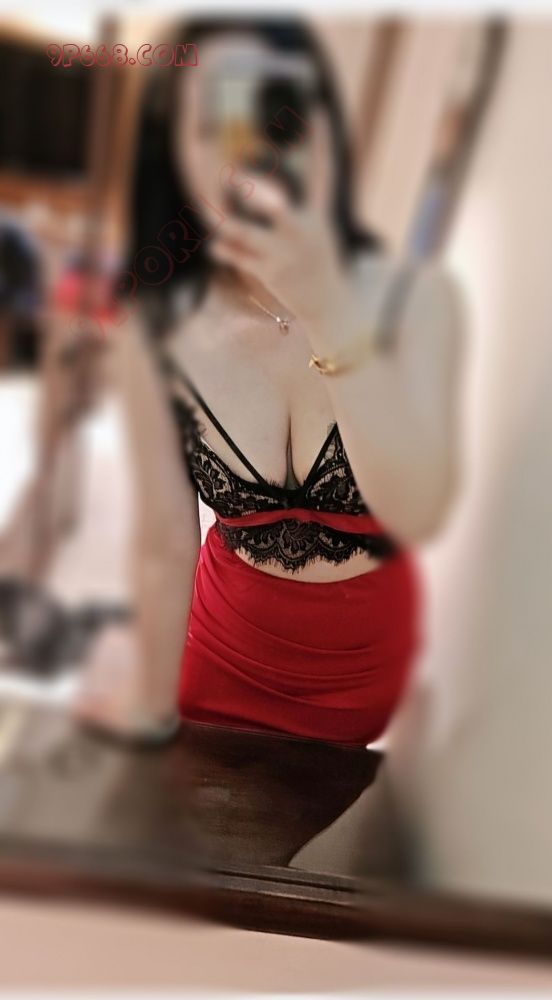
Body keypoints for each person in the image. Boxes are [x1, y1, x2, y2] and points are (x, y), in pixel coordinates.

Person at [73, 17, 465, 748]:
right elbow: (165, 542)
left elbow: (417, 507)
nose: (244, 149)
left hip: (360, 672)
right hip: (219, 652)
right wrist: (150, 703)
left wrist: (326, 309)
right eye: (210, 123)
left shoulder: (417, 301)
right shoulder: (154, 327)